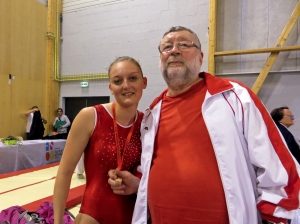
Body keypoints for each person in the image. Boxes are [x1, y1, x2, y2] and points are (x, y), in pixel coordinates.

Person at [108, 26, 300, 224]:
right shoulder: (152, 114)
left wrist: (276, 217)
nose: (174, 50)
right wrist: (138, 184)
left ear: (200, 57)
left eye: (184, 44)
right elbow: (153, 165)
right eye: (167, 47)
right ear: (161, 60)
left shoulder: (235, 97)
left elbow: (276, 164)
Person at [53, 56, 147, 224]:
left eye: (133, 78)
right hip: (93, 217)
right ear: (111, 88)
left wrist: (138, 182)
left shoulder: (147, 123)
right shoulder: (90, 117)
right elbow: (64, 173)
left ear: (144, 83)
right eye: (118, 81)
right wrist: (58, 222)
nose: (126, 85)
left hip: (133, 218)